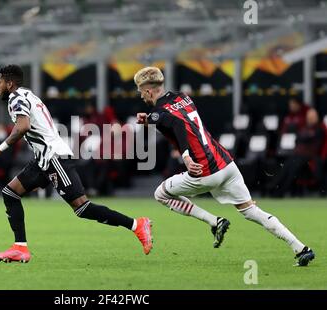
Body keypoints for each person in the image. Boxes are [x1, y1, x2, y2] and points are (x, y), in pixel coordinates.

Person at [133, 66, 314, 267]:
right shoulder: (183, 97)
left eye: (141, 92)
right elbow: (176, 118)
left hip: (204, 170)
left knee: (161, 194)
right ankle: (300, 248)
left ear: (149, 90)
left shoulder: (159, 111)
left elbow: (176, 125)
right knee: (252, 211)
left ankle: (214, 221)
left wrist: (185, 155)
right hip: (226, 164)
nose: (142, 97)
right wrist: (150, 120)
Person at [0, 64, 152, 263]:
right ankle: (20, 248)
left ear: (9, 83)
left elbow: (23, 126)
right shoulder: (26, 94)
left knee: (82, 208)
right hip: (43, 159)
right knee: (10, 193)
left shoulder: (15, 97)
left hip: (54, 157)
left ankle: (137, 225)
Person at [269, 108, 325, 197]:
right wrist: (305, 137)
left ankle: (281, 191)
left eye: (313, 116)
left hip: (310, 156)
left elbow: (305, 139)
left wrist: (304, 137)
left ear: (316, 117)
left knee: (293, 166)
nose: (311, 118)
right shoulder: (304, 128)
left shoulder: (319, 129)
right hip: (298, 155)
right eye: (309, 116)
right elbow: (299, 138)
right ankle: (274, 187)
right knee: (286, 166)